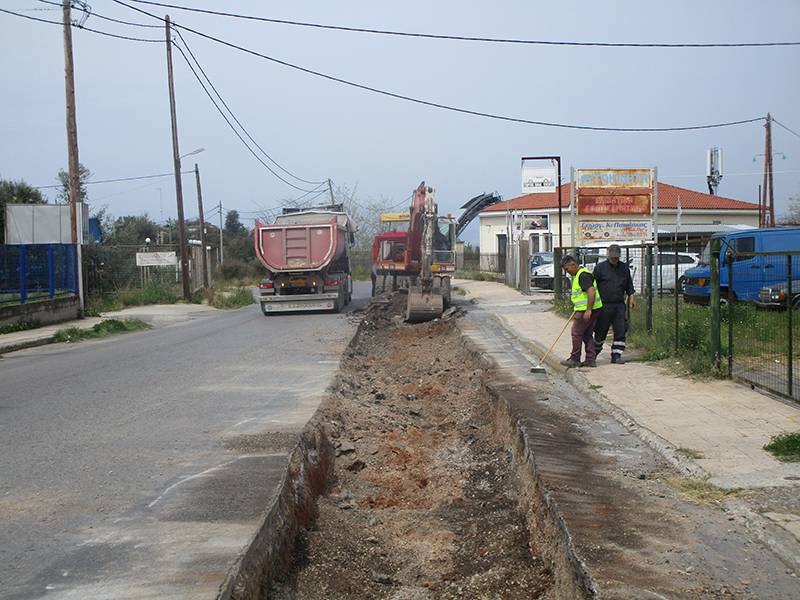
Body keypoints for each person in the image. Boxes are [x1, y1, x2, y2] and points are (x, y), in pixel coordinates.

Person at [593, 244, 636, 364]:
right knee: (600, 331)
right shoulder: (600, 268)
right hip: (603, 305)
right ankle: (593, 354)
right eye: (612, 257)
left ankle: (616, 355)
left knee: (621, 330)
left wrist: (632, 297)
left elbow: (629, 285)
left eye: (616, 257)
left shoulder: (624, 268)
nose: (614, 259)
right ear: (608, 255)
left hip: (619, 305)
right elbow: (592, 285)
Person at [560, 255, 603, 368]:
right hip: (591, 309)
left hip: (586, 310)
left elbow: (591, 292)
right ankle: (590, 359)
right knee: (587, 334)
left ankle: (575, 359)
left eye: (567, 269)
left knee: (576, 333)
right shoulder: (580, 274)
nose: (567, 272)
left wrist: (588, 310)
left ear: (573, 265)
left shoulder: (583, 275)